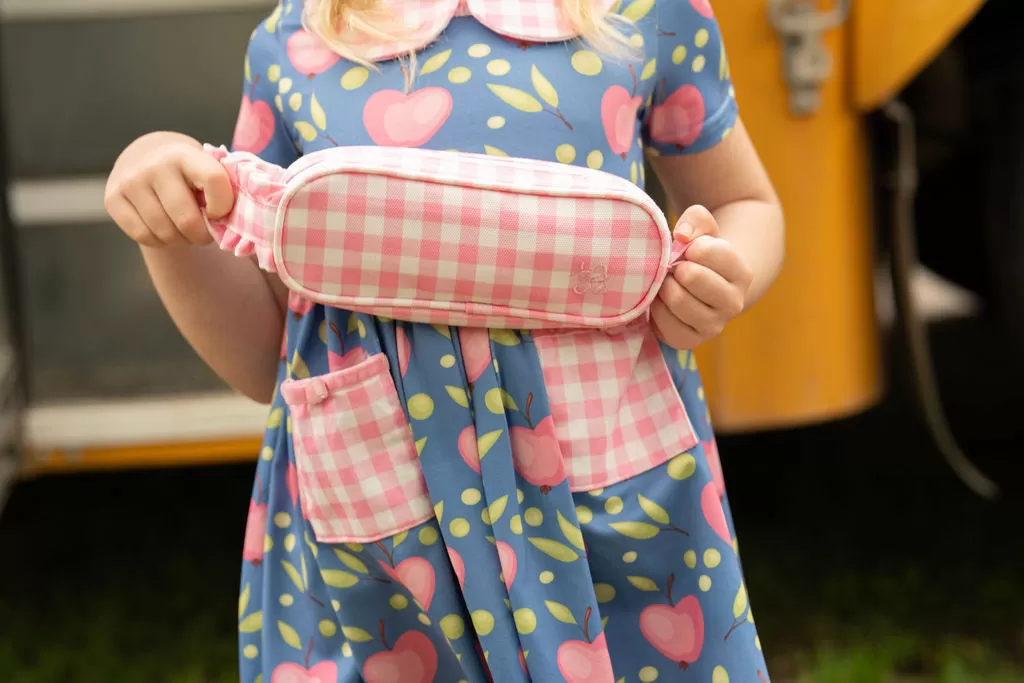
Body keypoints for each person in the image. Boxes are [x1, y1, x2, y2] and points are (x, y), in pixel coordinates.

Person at [104, 0, 783, 680]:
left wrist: (720, 275)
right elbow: (266, 354)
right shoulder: (295, 41)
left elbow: (745, 204)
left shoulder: (648, 12)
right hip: (389, 528)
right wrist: (166, 219)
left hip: (601, 498)